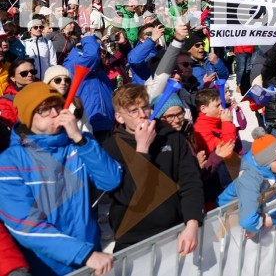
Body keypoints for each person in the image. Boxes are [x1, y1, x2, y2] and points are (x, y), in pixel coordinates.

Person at [0, 82, 122, 275]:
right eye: (45, 109)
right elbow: (26, 226)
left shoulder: (79, 143)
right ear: (27, 117)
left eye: (57, 105)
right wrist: (84, 254)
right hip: (47, 267)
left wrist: (79, 138)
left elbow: (111, 180)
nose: (55, 113)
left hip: (90, 260)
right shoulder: (9, 162)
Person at [102, 84, 204, 252]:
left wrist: (192, 222)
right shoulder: (110, 148)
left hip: (176, 231)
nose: (143, 115)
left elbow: (190, 181)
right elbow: (127, 195)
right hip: (133, 240)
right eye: (134, 111)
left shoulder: (171, 137)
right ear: (119, 117)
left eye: (146, 107)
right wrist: (142, 149)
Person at [216, 128, 276, 237]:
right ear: (265, 163)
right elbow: (248, 221)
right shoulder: (249, 179)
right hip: (224, 217)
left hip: (249, 211)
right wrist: (261, 223)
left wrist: (273, 219)